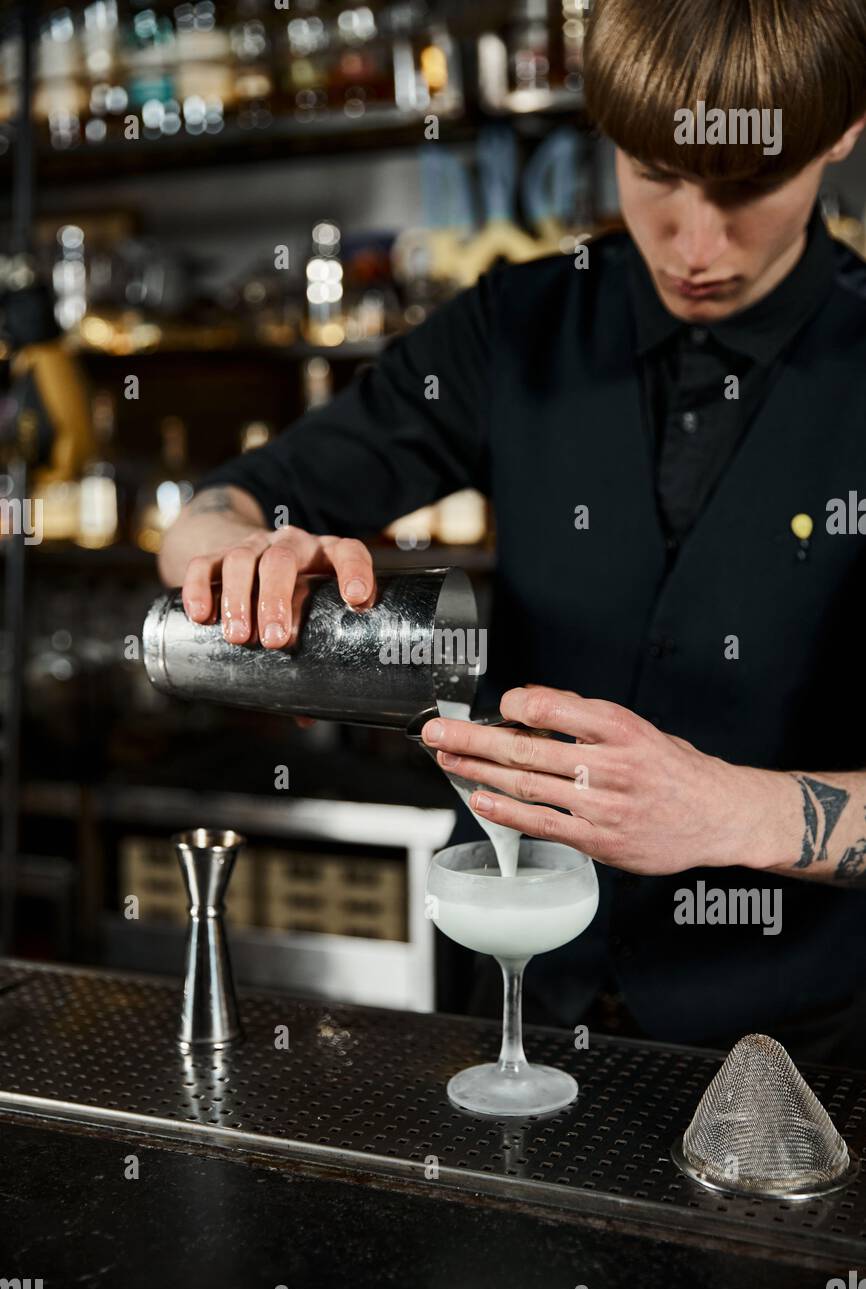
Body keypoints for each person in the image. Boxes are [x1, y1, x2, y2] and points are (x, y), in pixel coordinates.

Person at [160, 0, 866, 1066]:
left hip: (802, 1050)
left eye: (744, 186)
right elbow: (223, 506)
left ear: (841, 130)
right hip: (513, 1001)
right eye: (653, 175)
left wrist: (739, 814)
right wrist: (239, 557)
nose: (694, 242)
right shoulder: (520, 325)